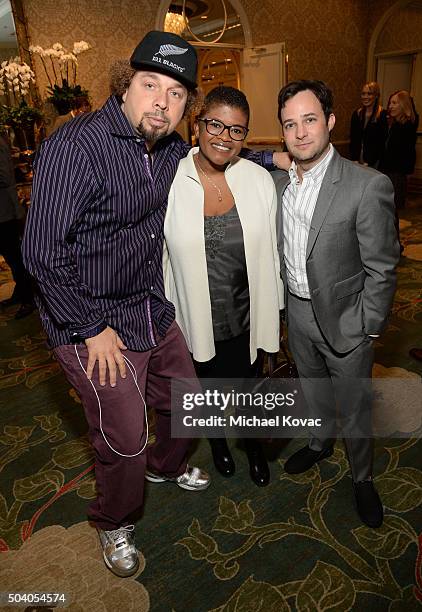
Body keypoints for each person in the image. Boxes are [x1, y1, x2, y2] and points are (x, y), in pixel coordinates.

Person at [22, 30, 283, 578]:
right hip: (86, 319)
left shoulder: (165, 149)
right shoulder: (74, 147)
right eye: (149, 85)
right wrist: (91, 327)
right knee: (123, 438)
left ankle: (166, 469)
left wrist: (275, 151)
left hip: (146, 307)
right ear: (125, 85)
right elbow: (41, 253)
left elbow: (219, 149)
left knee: (189, 403)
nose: (161, 102)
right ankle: (113, 518)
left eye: (176, 93)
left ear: (187, 106)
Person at [273, 80, 399, 528]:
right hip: (299, 313)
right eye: (290, 124)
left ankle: (363, 477)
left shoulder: (368, 185)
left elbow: (383, 266)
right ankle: (319, 442)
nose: (301, 133)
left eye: (310, 120)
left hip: (348, 321)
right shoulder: (278, 181)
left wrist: (369, 326)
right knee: (313, 389)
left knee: (356, 405)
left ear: (328, 122)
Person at [163, 86, 283, 487]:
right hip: (195, 317)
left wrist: (276, 312)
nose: (224, 137)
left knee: (248, 392)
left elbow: (272, 254)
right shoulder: (170, 180)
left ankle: (253, 448)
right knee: (207, 391)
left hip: (245, 315)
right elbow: (159, 257)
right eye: (215, 124)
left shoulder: (257, 180)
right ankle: (217, 446)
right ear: (197, 124)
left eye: (236, 130)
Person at [379, 90, 418, 247]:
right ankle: (393, 243)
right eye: (390, 103)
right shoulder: (393, 124)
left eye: (395, 103)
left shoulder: (407, 126)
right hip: (387, 172)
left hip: (396, 174)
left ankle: (394, 244)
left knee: (390, 210)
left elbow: (405, 154)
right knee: (388, 211)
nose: (390, 106)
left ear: (403, 105)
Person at [0, 135, 34, 319]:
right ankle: (21, 292)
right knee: (11, 256)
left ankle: (29, 298)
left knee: (16, 257)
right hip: (3, 211)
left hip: (5, 211)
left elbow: (5, 176)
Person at [349, 81, 384, 167]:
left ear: (376, 96)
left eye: (369, 94)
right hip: (357, 161)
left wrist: (370, 162)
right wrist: (354, 159)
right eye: (363, 94)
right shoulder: (357, 114)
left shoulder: (382, 115)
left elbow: (381, 142)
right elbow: (353, 139)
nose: (365, 97)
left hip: (374, 163)